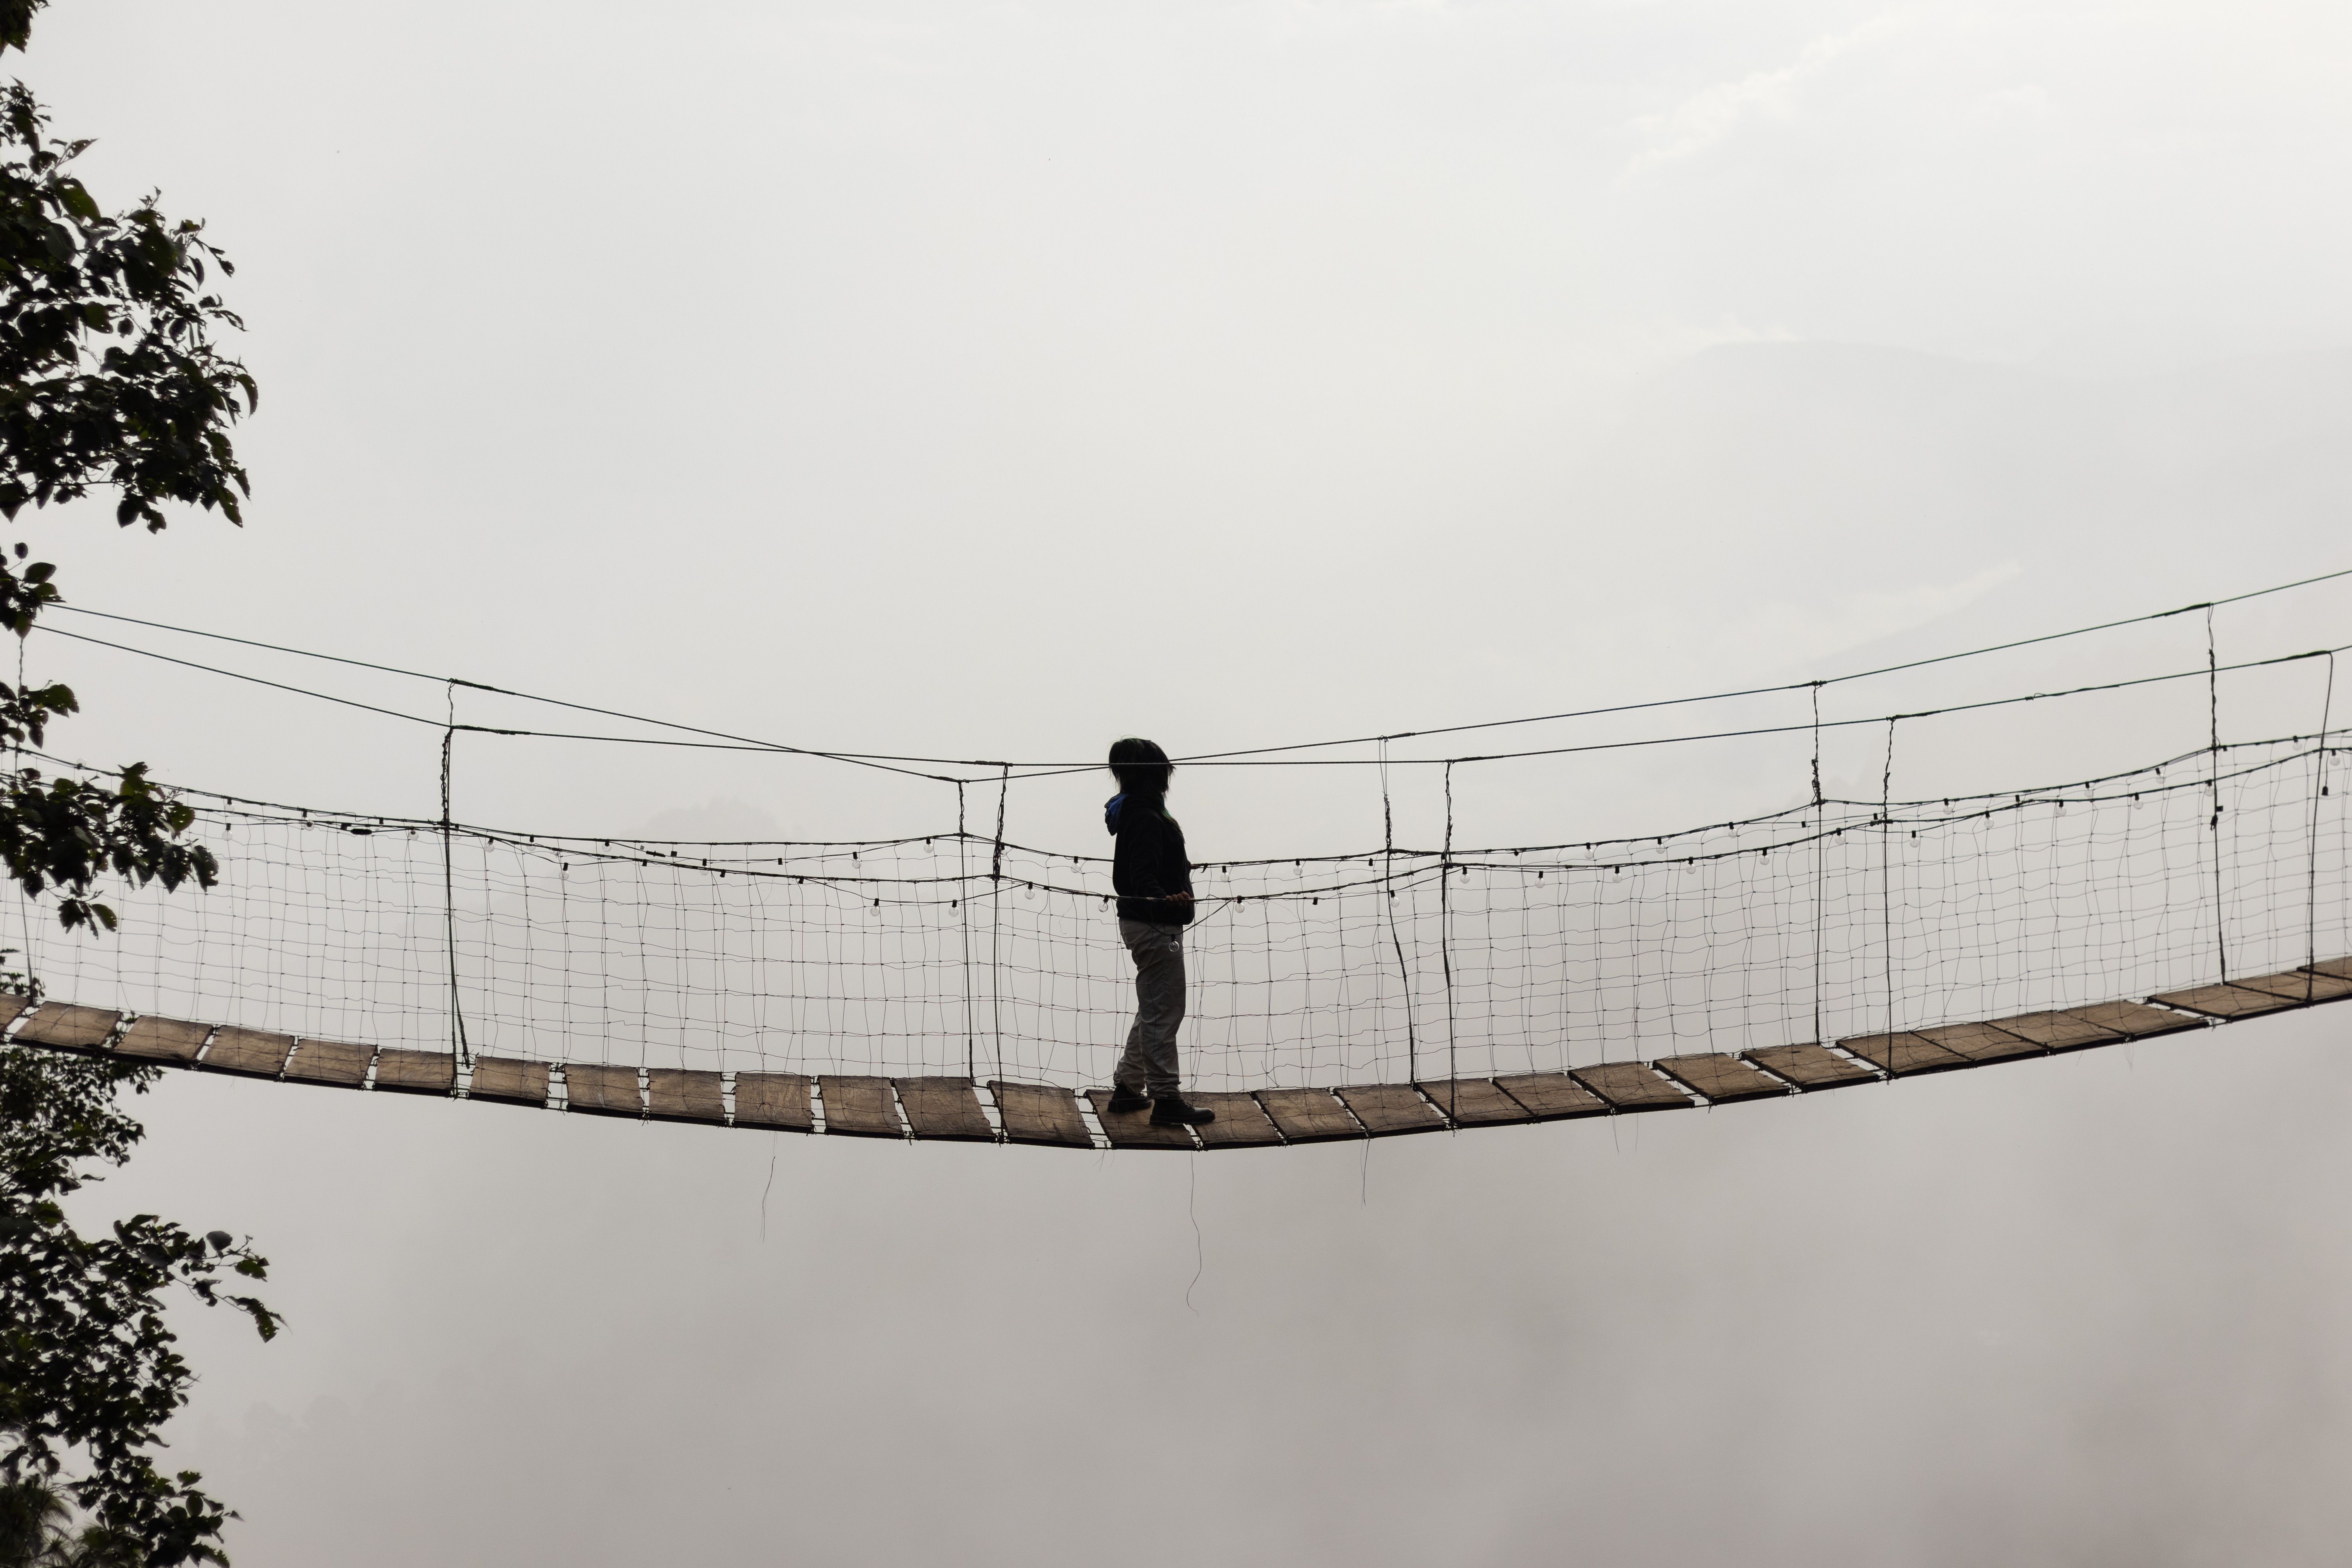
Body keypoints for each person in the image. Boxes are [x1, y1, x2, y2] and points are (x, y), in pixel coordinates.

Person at [1102, 737, 1215, 1127]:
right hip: (1154, 924)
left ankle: (1128, 1089)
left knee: (1154, 1006)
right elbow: (1140, 878)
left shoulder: (1138, 812)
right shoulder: (1147, 816)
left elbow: (1145, 870)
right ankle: (1165, 1097)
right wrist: (1165, 897)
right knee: (1164, 1011)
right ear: (1155, 774)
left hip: (1142, 923)